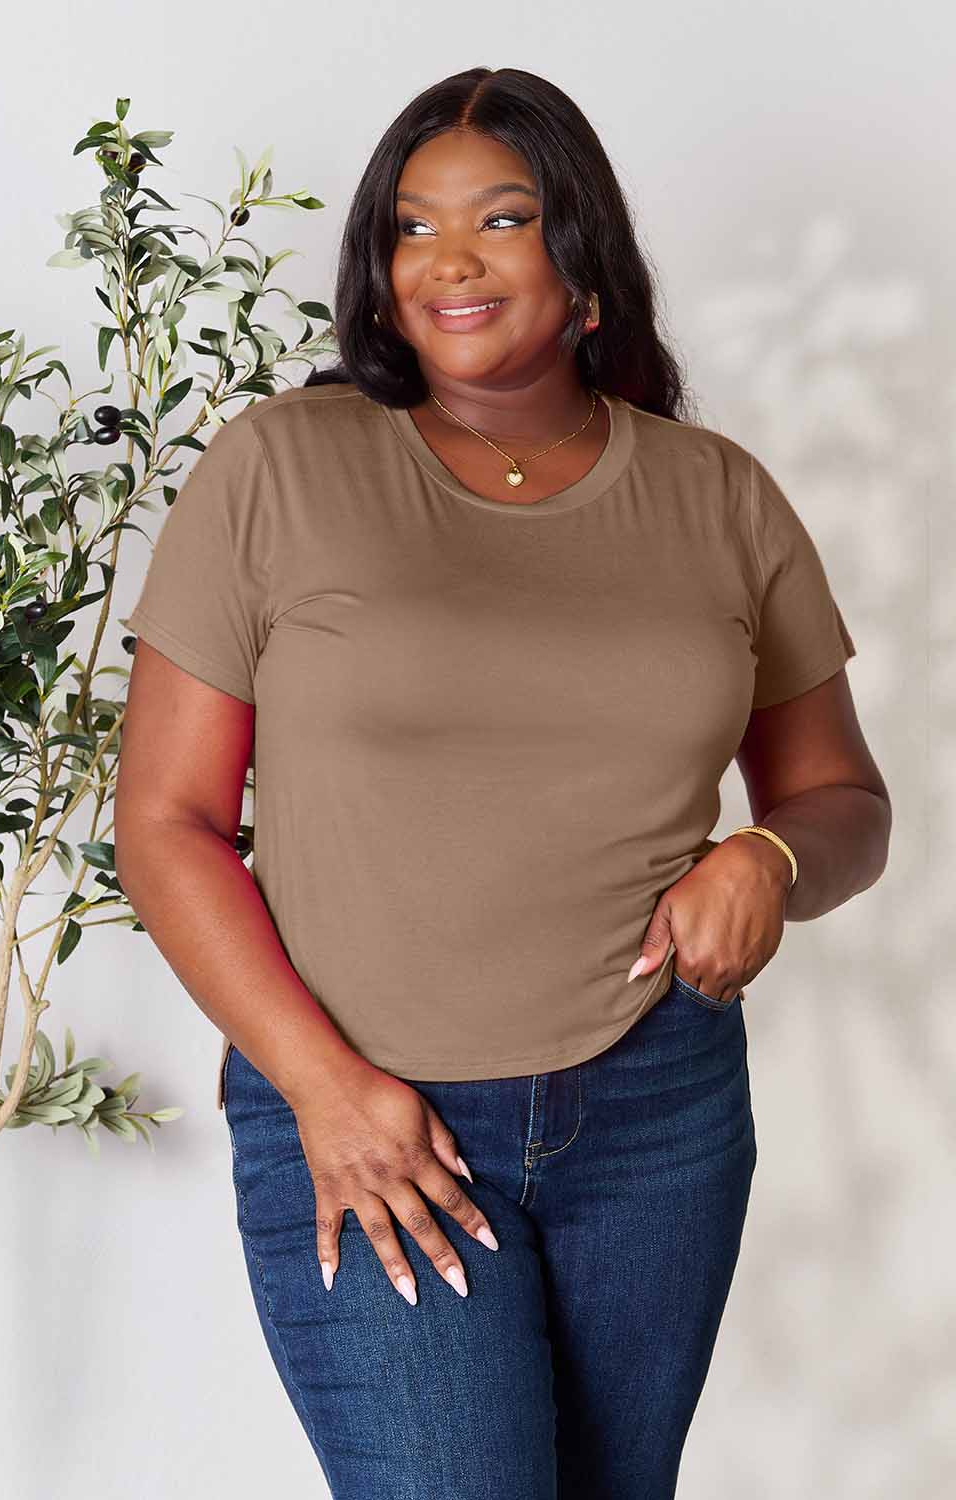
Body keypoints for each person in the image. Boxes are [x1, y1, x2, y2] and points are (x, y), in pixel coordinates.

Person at [116, 65, 891, 1500]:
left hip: (655, 1114)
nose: (450, 260)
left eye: (503, 217)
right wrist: (324, 1090)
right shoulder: (281, 467)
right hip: (363, 1109)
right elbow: (162, 824)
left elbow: (843, 798)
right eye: (413, 228)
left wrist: (766, 863)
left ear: (584, 260)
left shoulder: (717, 497)